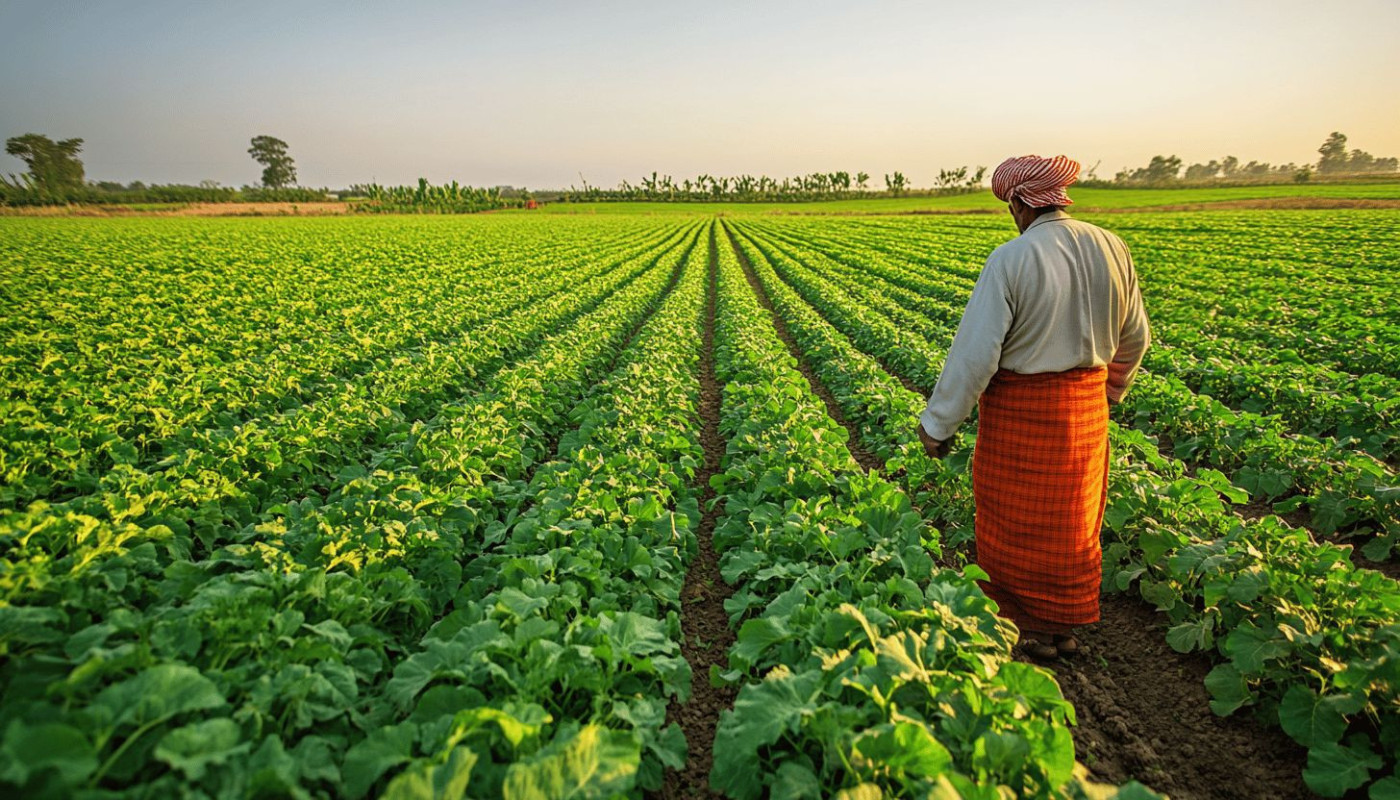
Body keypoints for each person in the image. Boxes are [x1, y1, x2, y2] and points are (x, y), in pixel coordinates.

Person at [915, 154, 1151, 661]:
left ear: (1022, 203)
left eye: (1011, 206)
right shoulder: (1112, 246)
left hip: (1025, 411)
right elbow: (1135, 337)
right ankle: (1062, 624)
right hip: (1087, 411)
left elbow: (976, 354)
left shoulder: (1013, 258)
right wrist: (1109, 393)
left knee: (1016, 521)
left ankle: (1030, 628)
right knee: (1073, 521)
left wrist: (939, 424)